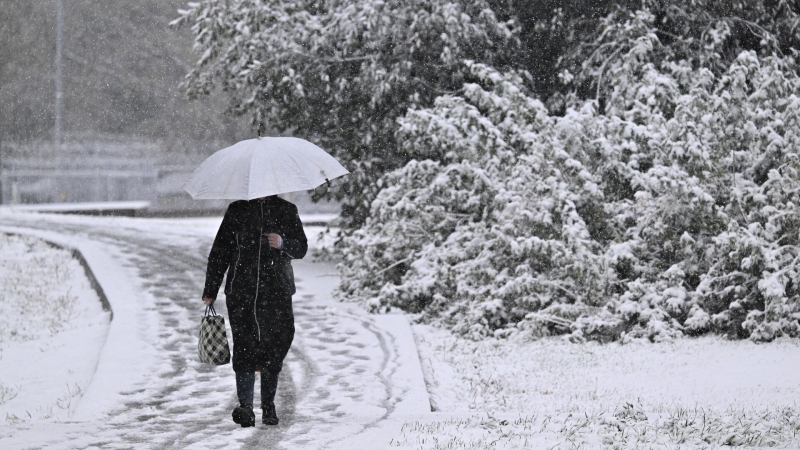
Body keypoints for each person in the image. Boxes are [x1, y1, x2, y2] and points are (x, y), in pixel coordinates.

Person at [202, 195, 308, 427]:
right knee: (245, 344)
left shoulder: (286, 209)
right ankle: (246, 406)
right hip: (242, 291)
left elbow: (301, 247)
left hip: (277, 291)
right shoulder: (237, 210)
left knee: (276, 343)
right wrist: (211, 288)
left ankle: (268, 404)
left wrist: (283, 243)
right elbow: (220, 251)